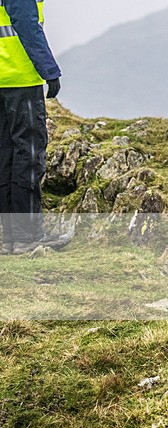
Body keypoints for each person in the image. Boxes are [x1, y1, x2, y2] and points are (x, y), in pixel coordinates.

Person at [0, 0, 69, 255]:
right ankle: (27, 236)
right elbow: (27, 24)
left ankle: (11, 239)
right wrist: (49, 69)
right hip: (19, 79)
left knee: (6, 158)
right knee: (28, 157)